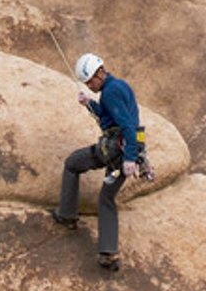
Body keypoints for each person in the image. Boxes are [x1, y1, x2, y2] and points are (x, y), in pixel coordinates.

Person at [54, 52, 154, 270]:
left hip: (114, 150)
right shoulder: (118, 86)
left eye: (90, 81)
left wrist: (128, 159)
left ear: (100, 72)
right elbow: (111, 116)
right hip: (125, 150)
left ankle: (67, 215)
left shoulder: (109, 93)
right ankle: (108, 253)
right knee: (106, 198)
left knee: (72, 163)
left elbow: (126, 125)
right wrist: (89, 103)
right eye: (86, 83)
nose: (89, 85)